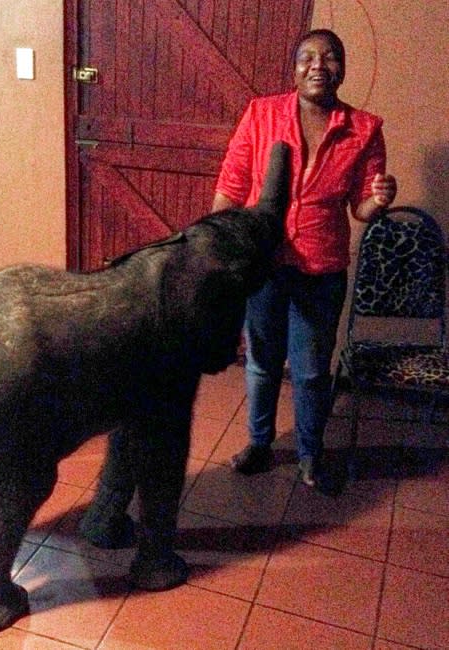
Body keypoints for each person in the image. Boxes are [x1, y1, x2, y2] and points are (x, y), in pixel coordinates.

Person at [211, 29, 397, 489]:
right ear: (294, 68)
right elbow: (232, 186)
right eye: (307, 57)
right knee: (260, 363)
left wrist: (380, 200)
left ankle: (310, 453)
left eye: (330, 57)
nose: (318, 64)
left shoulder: (364, 129)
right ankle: (259, 443)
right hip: (264, 265)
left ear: (343, 69)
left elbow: (361, 208)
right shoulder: (262, 114)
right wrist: (219, 246)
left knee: (312, 371)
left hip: (321, 269)